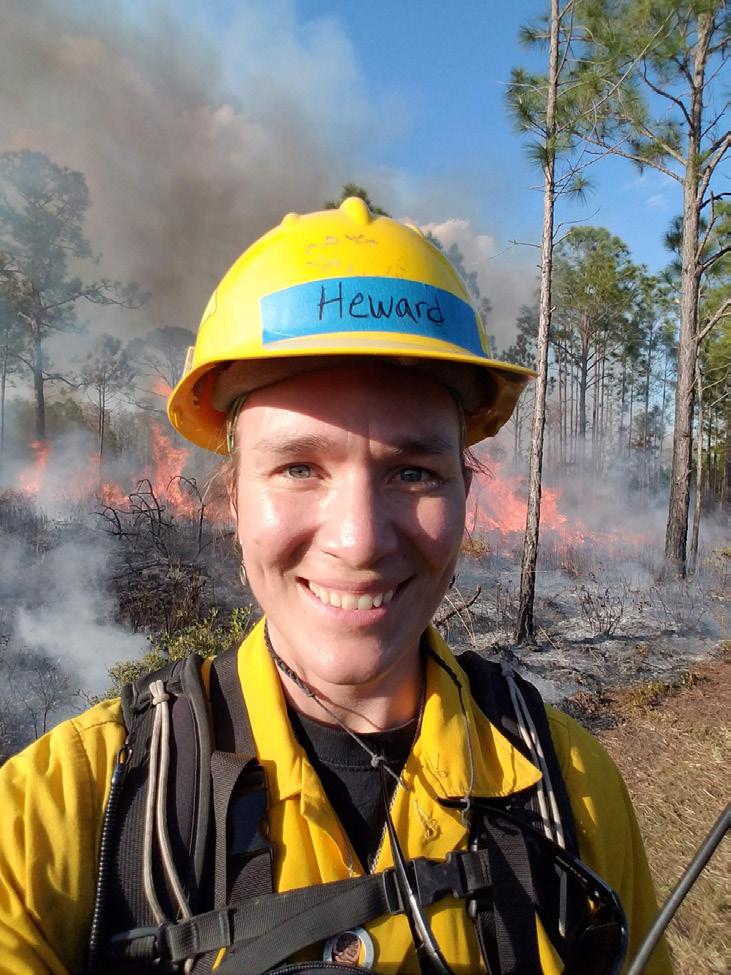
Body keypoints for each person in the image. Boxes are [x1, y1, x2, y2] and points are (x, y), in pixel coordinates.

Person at [0, 197, 671, 974]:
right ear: (232, 497)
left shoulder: (573, 793)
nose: (358, 539)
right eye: (297, 467)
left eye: (413, 472)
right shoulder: (69, 809)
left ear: (465, 490)